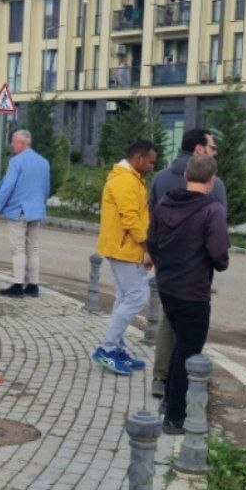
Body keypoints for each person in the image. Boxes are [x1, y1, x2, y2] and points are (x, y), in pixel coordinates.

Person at [148, 154, 230, 434]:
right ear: (211, 180)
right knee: (188, 351)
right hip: (194, 291)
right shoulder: (213, 210)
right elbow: (219, 253)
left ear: (185, 176)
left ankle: (169, 399)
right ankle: (175, 417)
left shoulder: (164, 203)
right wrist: (219, 262)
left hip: (168, 286)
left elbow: (152, 242)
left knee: (177, 345)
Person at [91, 139, 157, 375]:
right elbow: (131, 220)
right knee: (136, 298)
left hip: (126, 248)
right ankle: (107, 349)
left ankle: (116, 348)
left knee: (124, 298)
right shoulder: (124, 181)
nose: (152, 166)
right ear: (138, 159)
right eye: (150, 162)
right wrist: (149, 247)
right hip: (124, 248)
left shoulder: (133, 180)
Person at [0, 129, 51, 298]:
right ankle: (33, 286)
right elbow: (46, 188)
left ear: (23, 143)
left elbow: (8, 186)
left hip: (19, 210)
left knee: (18, 249)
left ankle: (17, 286)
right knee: (34, 249)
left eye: (14, 142)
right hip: (36, 211)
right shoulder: (44, 162)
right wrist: (41, 206)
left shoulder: (16, 161)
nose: (12, 145)